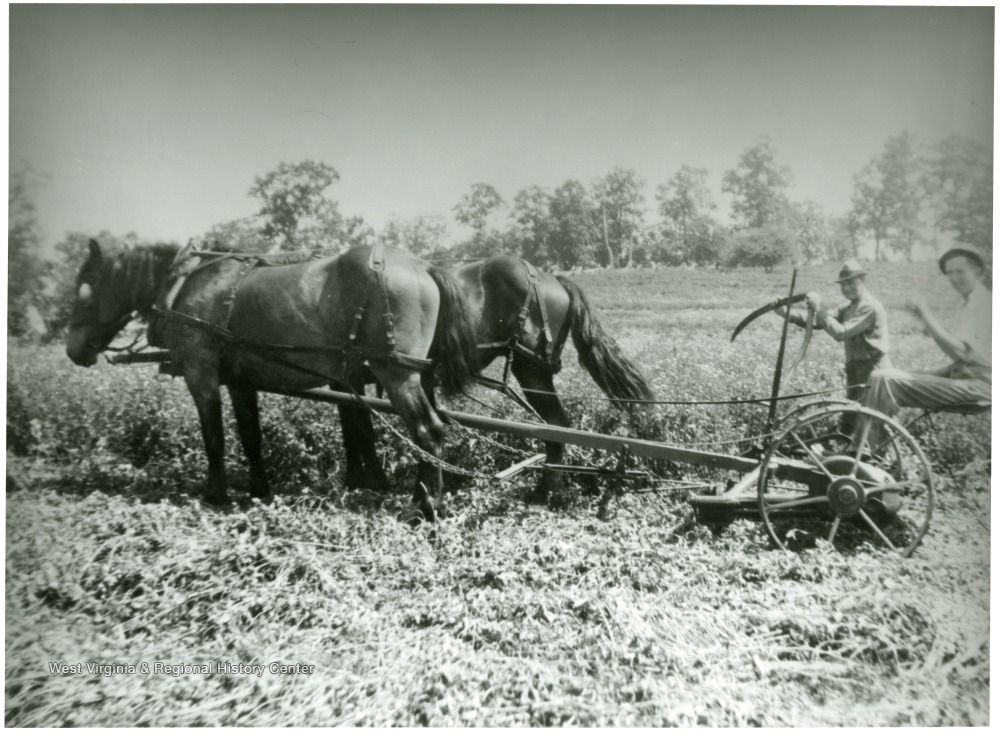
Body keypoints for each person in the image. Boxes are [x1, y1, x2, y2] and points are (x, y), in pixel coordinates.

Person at [857, 247, 991, 426]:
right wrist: (911, 374)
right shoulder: (967, 305)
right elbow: (960, 364)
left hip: (980, 389)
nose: (954, 278)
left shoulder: (985, 304)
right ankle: (863, 448)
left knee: (884, 379)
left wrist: (924, 312)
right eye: (949, 273)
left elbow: (960, 353)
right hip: (966, 382)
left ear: (978, 271)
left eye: (960, 271)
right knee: (880, 376)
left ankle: (863, 450)